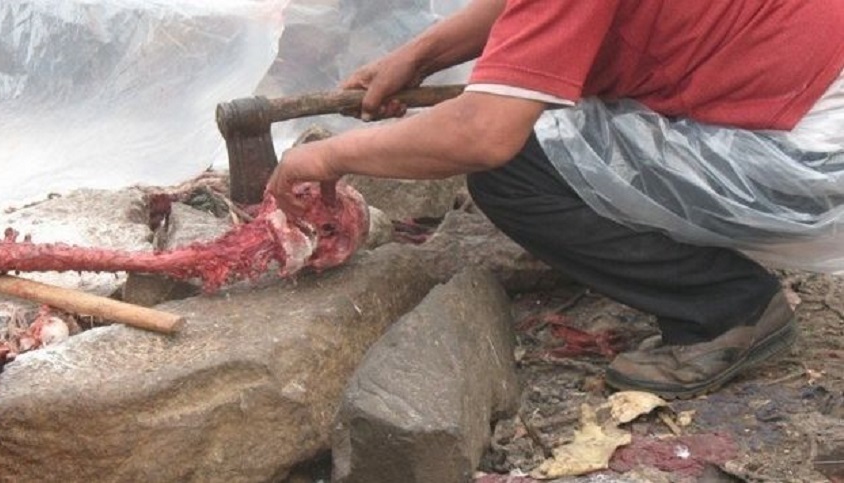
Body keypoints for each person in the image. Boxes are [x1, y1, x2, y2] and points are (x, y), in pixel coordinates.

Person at [266, 1, 844, 399]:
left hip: (809, 155)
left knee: (515, 172)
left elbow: (484, 134)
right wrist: (419, 56)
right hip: (804, 93)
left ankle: (728, 311)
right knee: (555, 114)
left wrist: (326, 157)